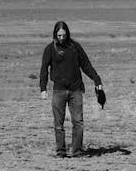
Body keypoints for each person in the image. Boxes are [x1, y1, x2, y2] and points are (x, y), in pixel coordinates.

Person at [39, 21, 103, 158]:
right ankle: (61, 151)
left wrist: (97, 80)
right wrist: (43, 88)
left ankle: (77, 151)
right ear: (55, 34)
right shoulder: (49, 49)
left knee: (78, 122)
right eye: (59, 35)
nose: (61, 38)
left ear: (67, 34)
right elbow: (44, 69)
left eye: (64, 35)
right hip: (58, 91)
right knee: (58, 123)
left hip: (76, 90)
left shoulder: (75, 47)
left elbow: (86, 65)